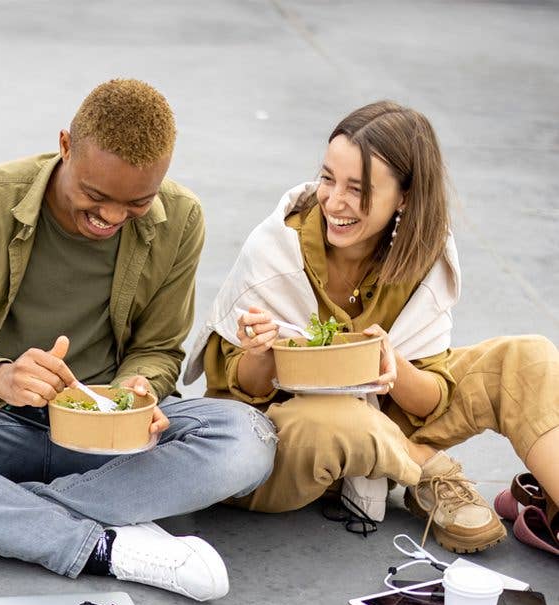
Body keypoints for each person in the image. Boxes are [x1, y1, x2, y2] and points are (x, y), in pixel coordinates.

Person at [0, 79, 276, 601]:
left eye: (136, 204)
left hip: (107, 442)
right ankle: (105, 547)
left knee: (251, 437)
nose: (110, 218)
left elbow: (159, 350)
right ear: (64, 145)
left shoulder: (181, 218)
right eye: (95, 195)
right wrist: (1, 377)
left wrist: (139, 387)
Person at [183, 101, 559, 555]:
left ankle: (541, 506)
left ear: (404, 196)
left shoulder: (422, 254)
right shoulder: (276, 249)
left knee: (528, 357)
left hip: (383, 418)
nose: (334, 201)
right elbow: (234, 394)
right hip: (289, 446)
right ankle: (426, 471)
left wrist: (393, 365)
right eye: (327, 178)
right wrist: (263, 353)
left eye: (356, 189)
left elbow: (433, 398)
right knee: (341, 419)